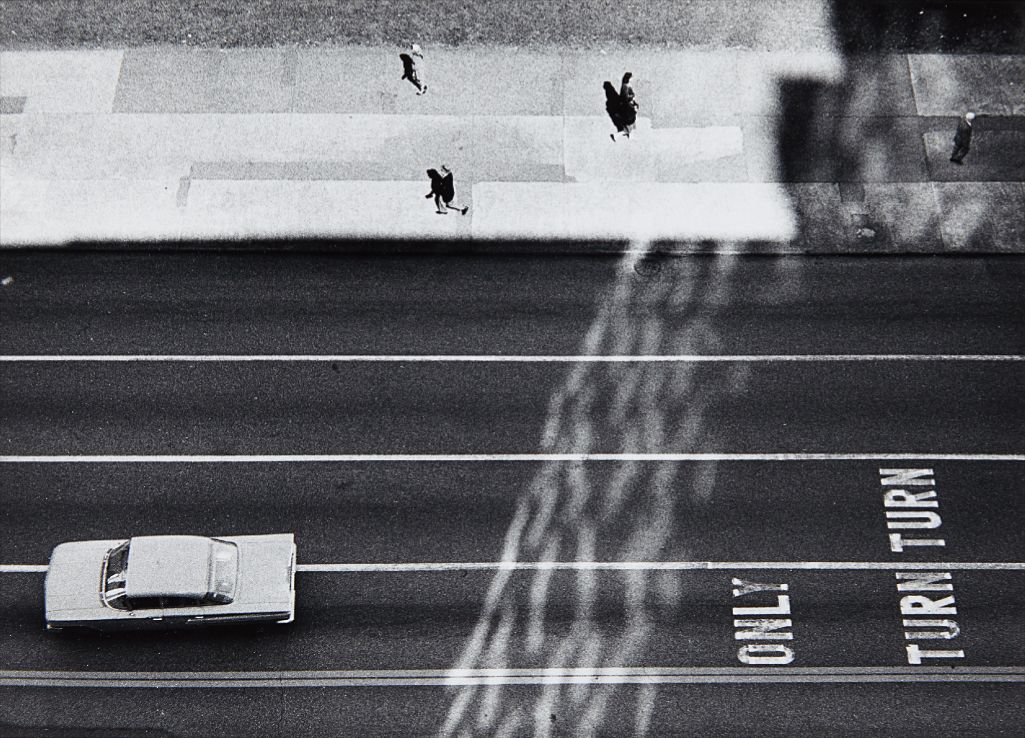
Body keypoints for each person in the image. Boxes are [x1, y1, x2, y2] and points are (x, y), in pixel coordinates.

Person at [619, 72, 638, 137]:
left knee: (629, 126)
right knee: (629, 126)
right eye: (631, 78)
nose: (632, 79)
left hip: (627, 107)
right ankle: (618, 135)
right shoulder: (625, 87)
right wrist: (633, 106)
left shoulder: (626, 85)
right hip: (627, 108)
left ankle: (620, 134)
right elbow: (626, 98)